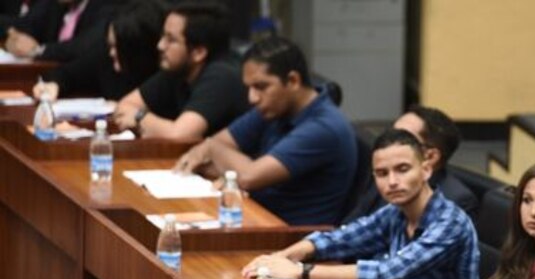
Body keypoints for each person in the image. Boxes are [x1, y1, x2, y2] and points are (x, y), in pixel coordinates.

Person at [240, 128, 481, 279]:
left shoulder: (451, 222)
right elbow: (342, 239)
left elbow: (385, 273)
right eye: (382, 173)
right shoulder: (395, 213)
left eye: (403, 169)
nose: (392, 181)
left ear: (426, 169)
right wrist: (280, 258)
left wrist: (300, 271)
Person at [173, 36, 357, 225]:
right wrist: (230, 168)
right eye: (249, 88)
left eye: (261, 87)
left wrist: (215, 151)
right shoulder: (274, 108)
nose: (252, 98)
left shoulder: (324, 127)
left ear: (293, 81)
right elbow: (221, 148)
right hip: (256, 217)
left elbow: (248, 176)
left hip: (291, 238)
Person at [113, 1, 247, 141]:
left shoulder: (221, 76)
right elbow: (124, 106)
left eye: (171, 40)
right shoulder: (177, 70)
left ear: (198, 52)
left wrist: (139, 117)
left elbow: (180, 135)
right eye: (163, 36)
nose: (160, 46)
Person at [343, 105, 478, 221]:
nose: (388, 142)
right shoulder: (387, 173)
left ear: (430, 156)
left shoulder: (455, 201)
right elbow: (354, 222)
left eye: (402, 139)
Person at [30, 0, 165, 102]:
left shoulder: (163, 74)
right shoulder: (105, 57)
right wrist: (54, 85)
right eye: (110, 45)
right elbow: (66, 73)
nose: (111, 52)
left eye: (118, 47)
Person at [4, 0, 115, 61]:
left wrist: (38, 51)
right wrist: (12, 36)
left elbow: (84, 46)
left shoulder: (109, 5)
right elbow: (24, 25)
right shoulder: (54, 5)